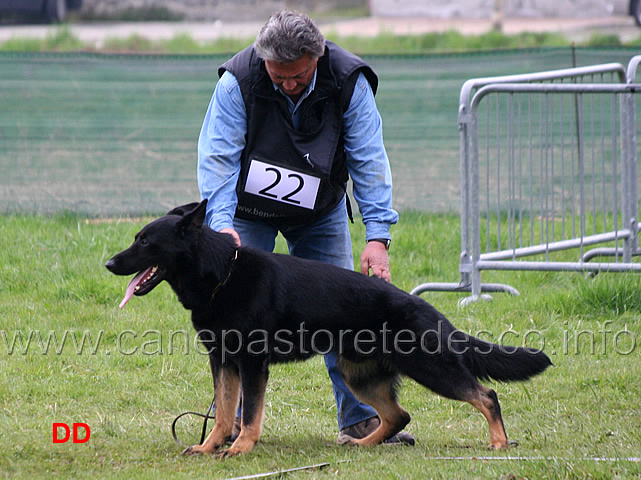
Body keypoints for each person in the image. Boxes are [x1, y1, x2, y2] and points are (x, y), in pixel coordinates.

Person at [197, 10, 413, 446]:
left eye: (297, 75)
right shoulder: (237, 81)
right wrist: (220, 228)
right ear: (264, 62)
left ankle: (362, 418)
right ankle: (234, 424)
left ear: (318, 55)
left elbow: (369, 160)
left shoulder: (349, 80)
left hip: (320, 211)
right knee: (235, 320)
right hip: (245, 214)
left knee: (346, 315)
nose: (289, 84)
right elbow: (217, 160)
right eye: (279, 77)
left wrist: (377, 237)